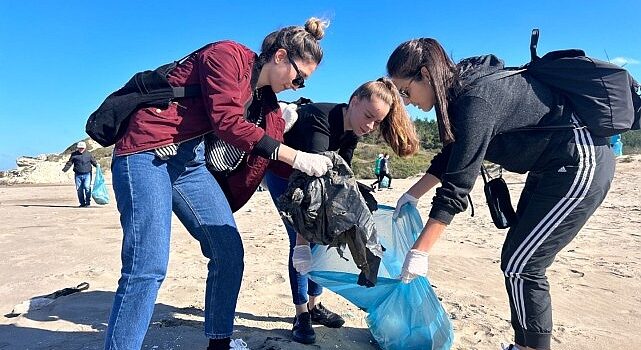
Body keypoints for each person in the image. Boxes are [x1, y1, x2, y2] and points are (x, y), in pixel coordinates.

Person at [104, 18, 333, 350]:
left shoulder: (267, 102)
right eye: (300, 79)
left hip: (189, 161)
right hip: (146, 149)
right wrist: (295, 156)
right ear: (281, 56)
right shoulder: (227, 55)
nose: (298, 87)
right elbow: (227, 121)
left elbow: (265, 154)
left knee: (229, 251)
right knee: (147, 265)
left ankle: (219, 343)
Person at [386, 39, 615, 350]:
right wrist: (412, 194)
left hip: (580, 161)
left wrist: (419, 252)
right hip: (549, 167)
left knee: (523, 264)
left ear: (425, 74)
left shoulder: (474, 99)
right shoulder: (458, 93)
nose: (406, 101)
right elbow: (454, 153)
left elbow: (457, 185)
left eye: (405, 92)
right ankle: (526, 345)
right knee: (517, 260)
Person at [264, 78, 419, 344]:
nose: (370, 126)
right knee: (303, 244)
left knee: (327, 237)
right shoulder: (320, 120)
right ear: (354, 101)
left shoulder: (353, 130)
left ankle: (315, 305)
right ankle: (301, 314)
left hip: (315, 177)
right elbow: (309, 194)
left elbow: (341, 177)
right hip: (285, 176)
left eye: (377, 122)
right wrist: (302, 243)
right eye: (368, 116)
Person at [62, 141, 97, 207]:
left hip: (87, 174)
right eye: (80, 148)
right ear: (77, 148)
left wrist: (97, 166)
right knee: (79, 189)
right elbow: (70, 163)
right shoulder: (74, 155)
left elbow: (93, 162)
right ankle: (82, 203)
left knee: (87, 188)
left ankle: (88, 203)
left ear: (85, 148)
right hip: (78, 174)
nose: (81, 149)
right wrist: (65, 169)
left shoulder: (88, 154)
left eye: (82, 148)